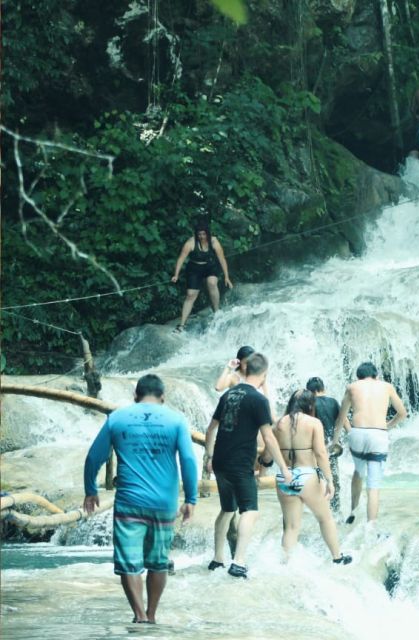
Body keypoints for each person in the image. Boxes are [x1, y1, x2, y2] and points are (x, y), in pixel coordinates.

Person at [83, 374, 198, 624]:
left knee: (129, 562)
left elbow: (94, 457)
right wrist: (191, 498)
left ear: (135, 396)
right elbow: (188, 460)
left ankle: (139, 615)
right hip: (164, 505)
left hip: (129, 503)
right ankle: (153, 615)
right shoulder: (176, 420)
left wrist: (90, 489)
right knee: (158, 562)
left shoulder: (117, 418)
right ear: (163, 397)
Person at [204, 352, 291, 579]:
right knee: (250, 510)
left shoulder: (229, 394)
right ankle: (239, 561)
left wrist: (209, 456)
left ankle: (217, 558)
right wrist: (283, 468)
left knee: (227, 509)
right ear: (264, 375)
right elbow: (269, 437)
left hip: (220, 462)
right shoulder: (258, 400)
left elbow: (210, 429)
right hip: (240, 462)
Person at [262, 389, 351, 564]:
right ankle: (337, 557)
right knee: (325, 518)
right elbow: (320, 453)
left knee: (291, 527)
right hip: (307, 476)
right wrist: (329, 480)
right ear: (310, 405)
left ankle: (285, 564)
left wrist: (262, 467)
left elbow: (267, 456)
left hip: (284, 477)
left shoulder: (277, 424)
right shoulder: (313, 423)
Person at [333, 362, 408, 524]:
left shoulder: (352, 387)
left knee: (358, 471)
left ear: (358, 376)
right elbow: (402, 413)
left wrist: (334, 440)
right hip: (378, 435)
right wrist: (387, 426)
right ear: (376, 375)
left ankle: (353, 510)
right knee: (373, 484)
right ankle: (371, 526)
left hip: (357, 433)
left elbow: (341, 417)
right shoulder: (386, 387)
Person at [171, 220, 233, 332]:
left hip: (210, 266)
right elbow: (181, 258)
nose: (201, 236)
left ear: (207, 233)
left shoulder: (214, 241)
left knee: (212, 283)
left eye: (204, 234)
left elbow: (222, 258)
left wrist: (226, 277)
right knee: (190, 294)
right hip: (194, 268)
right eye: (199, 234)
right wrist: (176, 274)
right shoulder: (190, 242)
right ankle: (181, 325)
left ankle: (217, 312)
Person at [306, 376, 342, 515]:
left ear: (309, 391)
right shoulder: (333, 402)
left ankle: (320, 511)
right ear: (323, 388)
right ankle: (336, 511)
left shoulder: (309, 404)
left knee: (317, 479)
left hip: (314, 447)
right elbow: (342, 421)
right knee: (332, 479)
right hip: (331, 448)